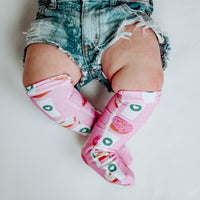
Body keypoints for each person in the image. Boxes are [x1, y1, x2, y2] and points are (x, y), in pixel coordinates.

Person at [23, 0, 170, 186]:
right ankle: (105, 134)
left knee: (144, 83)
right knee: (41, 85)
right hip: (58, 19)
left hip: (124, 18)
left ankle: (101, 147)